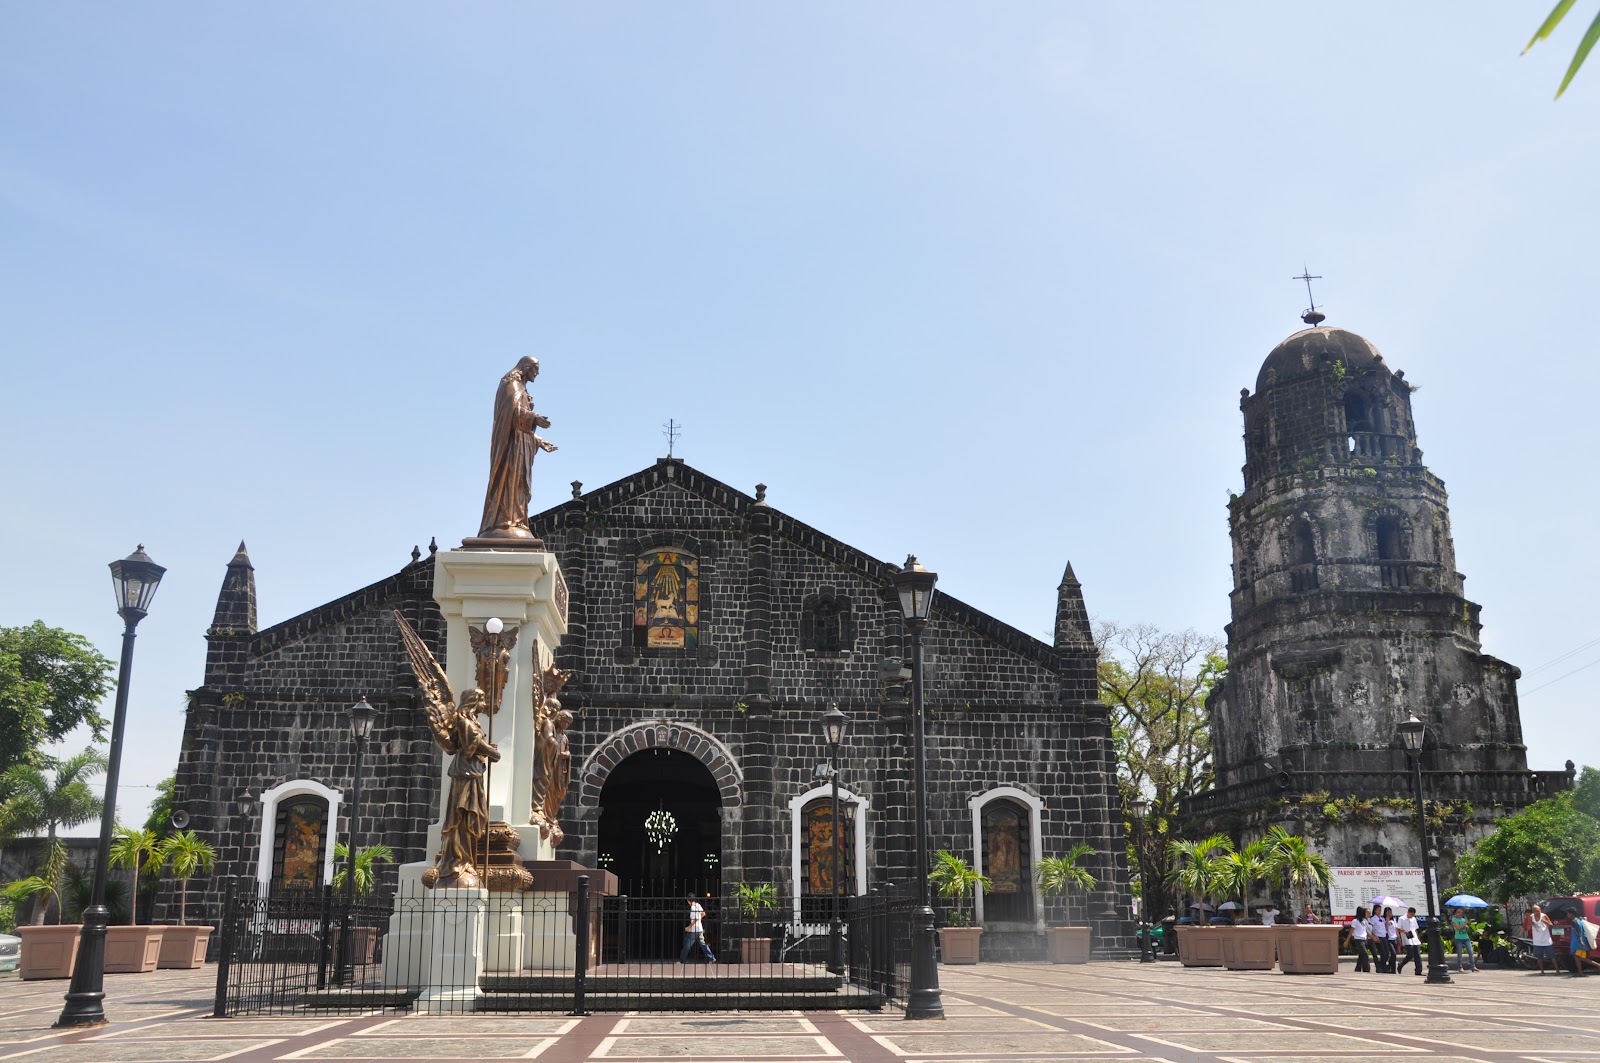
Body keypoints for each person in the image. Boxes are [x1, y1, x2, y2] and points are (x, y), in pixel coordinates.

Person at [679, 893, 717, 964]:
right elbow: (703, 914)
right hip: (699, 929)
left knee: (687, 945)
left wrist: (689, 927)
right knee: (703, 944)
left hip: (694, 930)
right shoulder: (698, 905)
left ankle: (682, 960)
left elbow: (696, 918)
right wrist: (699, 919)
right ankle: (712, 958)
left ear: (688, 901)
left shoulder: (693, 908)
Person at [1527, 904, 1556, 974]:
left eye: (1539, 910)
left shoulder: (1544, 916)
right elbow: (1528, 928)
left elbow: (1551, 925)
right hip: (1537, 941)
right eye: (1536, 911)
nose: (1538, 912)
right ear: (1533, 911)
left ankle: (1557, 970)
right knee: (1539, 957)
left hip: (1546, 940)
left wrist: (1545, 922)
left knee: (1552, 956)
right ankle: (1542, 971)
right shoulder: (1531, 917)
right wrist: (1531, 923)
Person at [1450, 907, 1480, 972]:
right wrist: (1464, 924)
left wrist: (1467, 926)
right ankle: (1460, 967)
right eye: (1458, 912)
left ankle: (1473, 966)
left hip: (1466, 938)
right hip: (1458, 938)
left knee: (1470, 952)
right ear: (1455, 913)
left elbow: (1467, 929)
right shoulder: (1454, 919)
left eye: (1461, 912)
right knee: (1460, 953)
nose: (1460, 913)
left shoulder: (1463, 919)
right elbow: (1457, 927)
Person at [1395, 907, 1422, 976]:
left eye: (1413, 915)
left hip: (1414, 938)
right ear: (1408, 913)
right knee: (1410, 954)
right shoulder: (1402, 919)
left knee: (1417, 955)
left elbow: (1415, 929)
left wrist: (1418, 938)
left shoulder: (1413, 919)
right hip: (1407, 938)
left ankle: (1418, 971)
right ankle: (1401, 964)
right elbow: (1397, 929)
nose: (1412, 916)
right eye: (1411, 915)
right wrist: (1403, 932)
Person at [1349, 906, 1373, 972]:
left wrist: (1371, 937)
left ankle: (1357, 969)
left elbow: (1365, 931)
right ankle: (1366, 969)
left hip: (1364, 939)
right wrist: (1347, 940)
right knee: (1365, 954)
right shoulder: (1355, 921)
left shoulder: (1363, 921)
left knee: (1361, 955)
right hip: (1358, 939)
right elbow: (1351, 931)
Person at [1369, 907, 1393, 973]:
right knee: (1383, 954)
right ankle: (1383, 967)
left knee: (1387, 954)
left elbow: (1386, 929)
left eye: (1380, 910)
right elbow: (1370, 929)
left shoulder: (1382, 918)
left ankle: (1380, 965)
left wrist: (1387, 921)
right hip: (1378, 937)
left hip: (1384, 936)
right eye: (1378, 910)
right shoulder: (1373, 919)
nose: (1379, 911)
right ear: (1375, 910)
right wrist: (1374, 936)